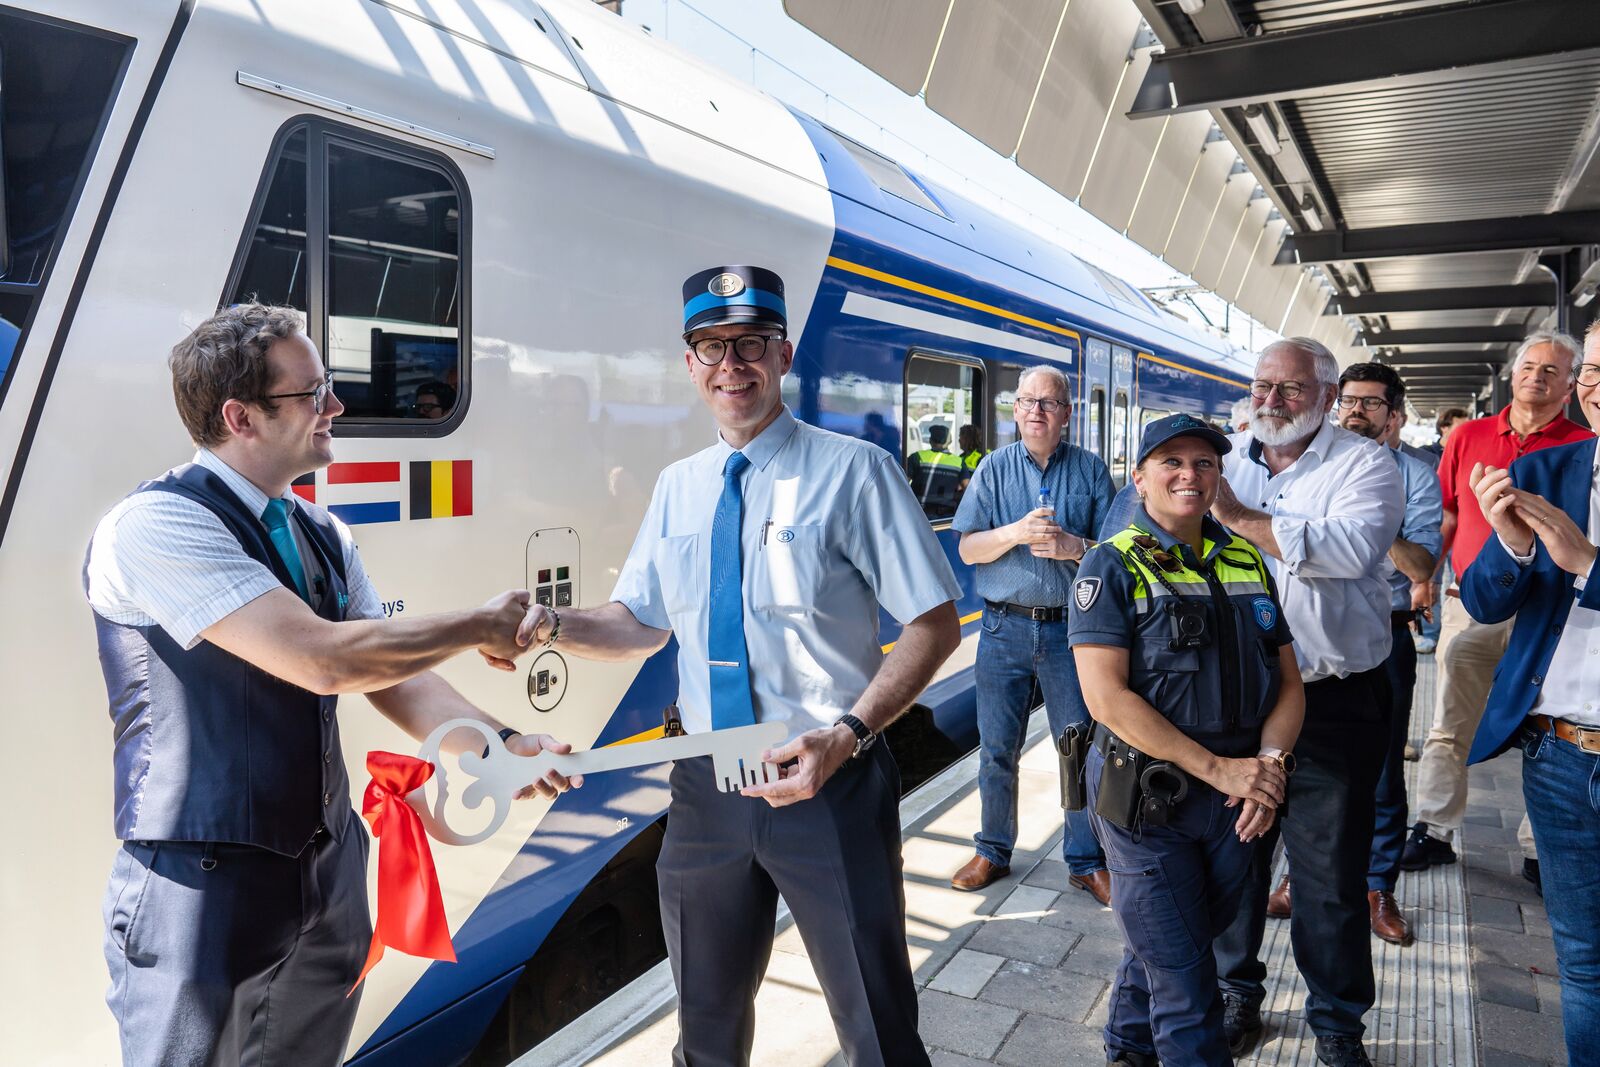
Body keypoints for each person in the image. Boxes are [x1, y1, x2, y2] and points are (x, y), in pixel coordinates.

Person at [84, 304, 576, 1067]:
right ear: (240, 416)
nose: (336, 406)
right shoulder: (153, 527)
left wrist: (500, 744)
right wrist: (476, 624)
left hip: (328, 876)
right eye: (312, 393)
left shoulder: (323, 532)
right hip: (199, 897)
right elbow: (322, 657)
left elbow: (389, 673)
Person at [516, 265, 961, 1066]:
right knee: (706, 1027)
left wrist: (851, 732)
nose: (732, 364)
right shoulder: (678, 488)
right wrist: (548, 625)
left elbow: (935, 624)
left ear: (783, 353)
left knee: (878, 1026)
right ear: (690, 364)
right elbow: (638, 624)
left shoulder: (853, 472)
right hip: (705, 787)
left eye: (750, 343)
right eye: (711, 346)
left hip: (829, 777)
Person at [1070, 413, 1304, 1067]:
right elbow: (1105, 698)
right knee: (1190, 988)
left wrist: (1268, 766)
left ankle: (1125, 1047)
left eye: (1204, 462)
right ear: (1139, 477)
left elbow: (1289, 682)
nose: (1189, 474)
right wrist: (1219, 769)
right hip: (1152, 797)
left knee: (1176, 937)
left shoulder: (1245, 557)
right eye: (1171, 461)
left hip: (1240, 798)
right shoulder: (1109, 566)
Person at [1207, 337, 1404, 1067]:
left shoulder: (1366, 465)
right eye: (1263, 386)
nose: (1272, 401)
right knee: (1235, 861)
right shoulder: (1224, 458)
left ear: (1326, 397)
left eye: (1291, 389)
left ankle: (1338, 1026)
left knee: (1328, 880)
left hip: (1335, 703)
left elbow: (1349, 550)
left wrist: (1236, 518)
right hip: (1238, 706)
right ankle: (1236, 995)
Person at [1404, 331, 1593, 885]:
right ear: (1512, 375)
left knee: (1547, 730)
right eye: (1528, 366)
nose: (1536, 377)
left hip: (1550, 613)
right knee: (1449, 721)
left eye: (1551, 371)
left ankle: (1539, 847)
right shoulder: (1470, 435)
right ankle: (1435, 828)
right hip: (1472, 602)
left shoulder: (1583, 446)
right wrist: (1425, 579)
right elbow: (1448, 516)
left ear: (1569, 387)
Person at [1460, 322, 1600, 1066]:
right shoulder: (1553, 471)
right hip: (1560, 753)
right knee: (1583, 961)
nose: (1597, 386)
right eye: (1595, 370)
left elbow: (1580, 566)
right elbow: (1484, 601)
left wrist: (1588, 564)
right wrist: (1509, 541)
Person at [1269, 363, 1439, 946]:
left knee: (1381, 772)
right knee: (1302, 773)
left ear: (1395, 416)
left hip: (1382, 641)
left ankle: (1376, 884)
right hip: (1304, 647)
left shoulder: (1413, 475)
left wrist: (1371, 521)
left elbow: (1420, 566)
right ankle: (1302, 872)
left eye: (1370, 404)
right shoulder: (1307, 465)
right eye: (1348, 401)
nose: (1354, 412)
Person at [948, 364, 1114, 899]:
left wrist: (1075, 548)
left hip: (1073, 631)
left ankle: (1085, 859)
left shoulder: (1090, 472)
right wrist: (1015, 532)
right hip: (1003, 630)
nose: (1037, 411)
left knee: (1081, 747)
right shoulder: (993, 469)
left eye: (1049, 402)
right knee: (997, 748)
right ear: (1014, 410)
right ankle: (993, 850)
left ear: (1066, 414)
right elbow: (968, 548)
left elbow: (1116, 556)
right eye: (1027, 401)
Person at [908, 422, 965, 517]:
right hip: (946, 517)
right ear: (949, 441)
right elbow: (968, 488)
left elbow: (903, 482)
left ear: (930, 440)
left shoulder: (916, 457)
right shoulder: (959, 462)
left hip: (917, 513)